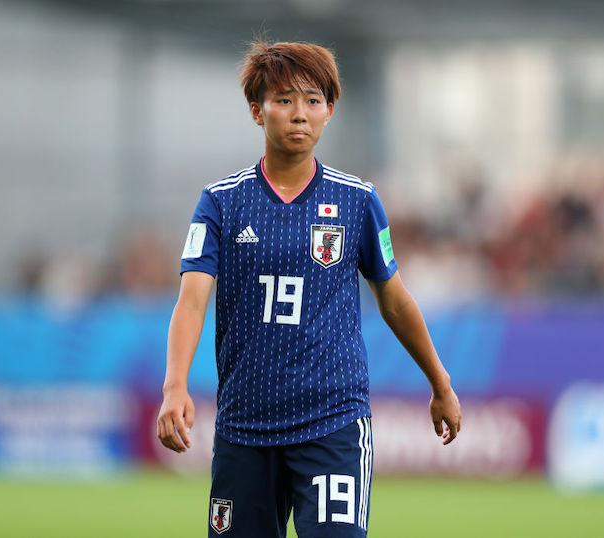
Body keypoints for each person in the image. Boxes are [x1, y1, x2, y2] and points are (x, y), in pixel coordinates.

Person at [156, 40, 461, 538]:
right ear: (257, 110)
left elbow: (395, 301)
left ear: (329, 111)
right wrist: (175, 386)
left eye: (313, 100)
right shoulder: (220, 202)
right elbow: (192, 301)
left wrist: (440, 383)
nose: (299, 113)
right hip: (244, 426)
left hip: (331, 421)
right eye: (284, 100)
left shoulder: (358, 201)